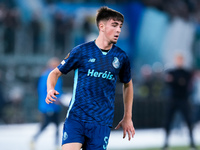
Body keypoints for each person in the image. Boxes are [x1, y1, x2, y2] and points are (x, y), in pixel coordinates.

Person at [45, 6, 135, 150]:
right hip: (76, 118)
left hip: (101, 122)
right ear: (101, 26)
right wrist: (50, 89)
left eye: (120, 26)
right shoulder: (81, 51)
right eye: (114, 25)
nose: (119, 30)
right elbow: (54, 73)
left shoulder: (121, 57)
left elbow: (128, 85)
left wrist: (127, 117)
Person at [162, 54, 196, 150]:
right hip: (173, 100)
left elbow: (184, 83)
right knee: (168, 121)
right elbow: (171, 82)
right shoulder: (172, 71)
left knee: (189, 121)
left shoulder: (186, 73)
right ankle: (166, 143)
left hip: (183, 100)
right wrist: (178, 81)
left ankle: (192, 143)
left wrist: (175, 80)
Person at [31, 57, 63, 149]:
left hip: (56, 106)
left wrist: (60, 98)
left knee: (57, 126)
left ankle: (57, 144)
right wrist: (51, 101)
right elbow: (42, 91)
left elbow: (59, 90)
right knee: (45, 125)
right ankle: (34, 139)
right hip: (49, 105)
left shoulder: (57, 76)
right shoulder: (47, 75)